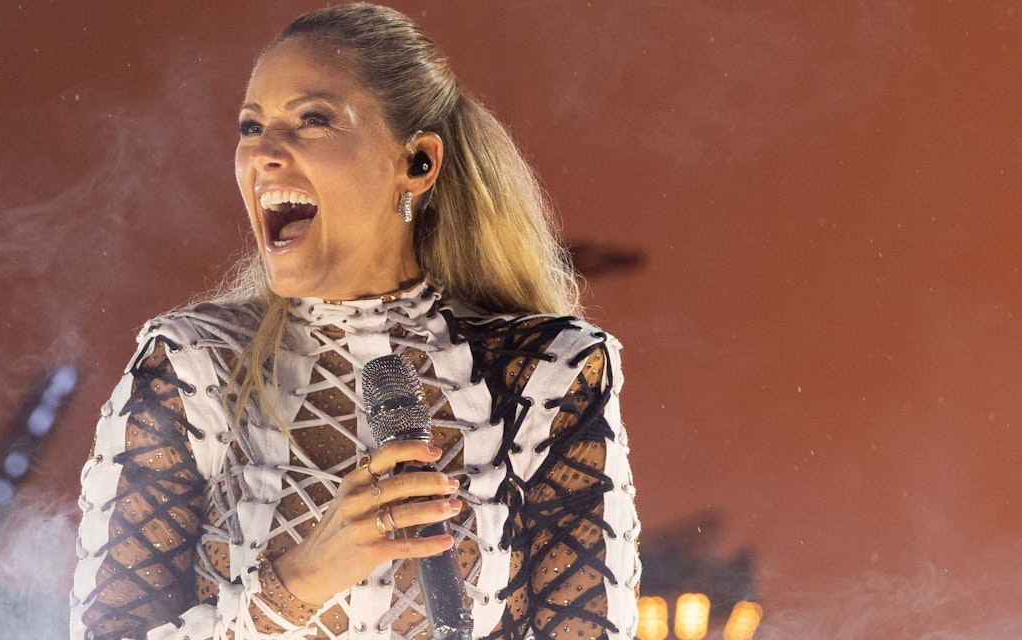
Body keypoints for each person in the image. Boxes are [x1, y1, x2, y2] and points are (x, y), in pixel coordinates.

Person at [70, 4, 640, 640]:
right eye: (251, 127)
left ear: (418, 162)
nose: (265, 153)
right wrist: (298, 583)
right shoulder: (190, 366)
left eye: (313, 119)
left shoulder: (545, 375)